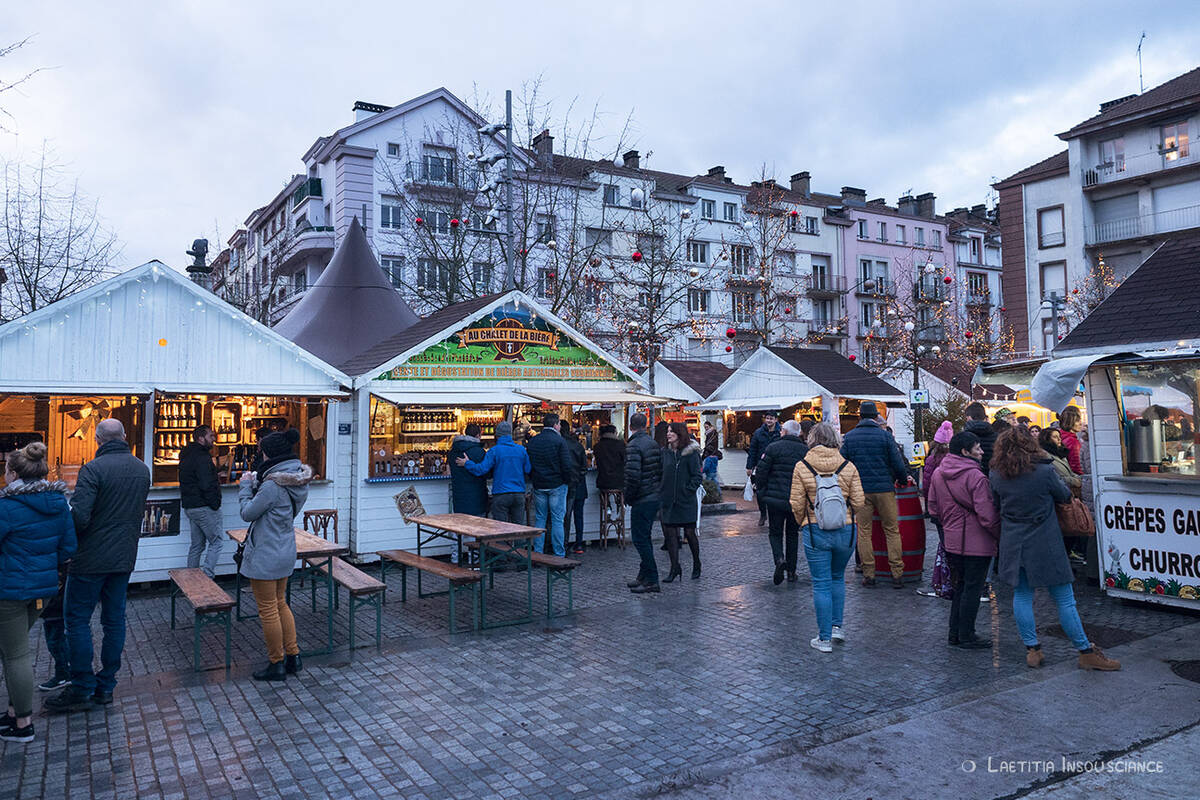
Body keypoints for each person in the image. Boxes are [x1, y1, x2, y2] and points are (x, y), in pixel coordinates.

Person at [989, 429, 1120, 671]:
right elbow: (1064, 495)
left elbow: (996, 505)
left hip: (1014, 542)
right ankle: (1085, 651)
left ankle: (1033, 650)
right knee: (1064, 600)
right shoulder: (1043, 470)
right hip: (1044, 541)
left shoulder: (997, 473)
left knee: (1023, 596)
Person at [47, 419, 150, 713]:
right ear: (125, 437)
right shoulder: (142, 470)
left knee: (77, 621)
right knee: (114, 620)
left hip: (90, 559)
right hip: (124, 557)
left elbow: (80, 517)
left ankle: (82, 686)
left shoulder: (93, 469)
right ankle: (106, 684)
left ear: (97, 440)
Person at [0, 442, 76, 742]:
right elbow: (68, 549)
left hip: (9, 590)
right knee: (10, 650)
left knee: (16, 655)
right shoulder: (59, 504)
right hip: (43, 590)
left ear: (15, 473)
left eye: (6, 469)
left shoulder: (7, 507)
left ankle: (23, 723)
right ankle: (11, 712)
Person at [237, 429, 311, 682]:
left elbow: (247, 513)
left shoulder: (272, 485)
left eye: (263, 451)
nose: (260, 454)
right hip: (285, 548)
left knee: (268, 610)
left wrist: (246, 486)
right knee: (281, 603)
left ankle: (276, 662)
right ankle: (293, 655)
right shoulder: (296, 480)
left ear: (271, 455)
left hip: (266, 553)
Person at [789, 422, 865, 653]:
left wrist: (803, 520)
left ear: (811, 440)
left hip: (815, 530)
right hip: (845, 529)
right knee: (837, 578)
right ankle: (836, 627)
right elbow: (860, 501)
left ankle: (823, 640)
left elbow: (796, 503)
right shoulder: (848, 466)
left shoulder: (802, 467)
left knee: (821, 583)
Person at [927, 432, 999, 649]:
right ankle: (967, 635)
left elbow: (932, 507)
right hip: (977, 543)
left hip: (952, 541)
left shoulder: (939, 473)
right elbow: (987, 515)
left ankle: (954, 633)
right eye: (978, 448)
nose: (982, 451)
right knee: (973, 589)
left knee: (959, 587)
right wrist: (999, 533)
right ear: (965, 452)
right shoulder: (976, 477)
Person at [841, 402, 910, 588]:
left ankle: (869, 574)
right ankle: (897, 573)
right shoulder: (885, 436)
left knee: (864, 532)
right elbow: (897, 463)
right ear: (875, 416)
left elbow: (843, 465)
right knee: (891, 530)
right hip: (885, 489)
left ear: (859, 416)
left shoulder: (850, 437)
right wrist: (902, 480)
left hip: (861, 490)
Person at [753, 419, 809, 584]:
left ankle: (779, 559)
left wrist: (762, 493)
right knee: (792, 535)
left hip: (775, 499)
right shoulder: (805, 451)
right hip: (796, 499)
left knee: (775, 533)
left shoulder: (773, 448)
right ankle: (791, 571)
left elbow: (761, 472)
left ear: (783, 431)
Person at [457, 421, 530, 524]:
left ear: (497, 435)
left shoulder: (494, 451)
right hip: (519, 493)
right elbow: (528, 469)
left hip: (501, 494)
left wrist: (467, 463)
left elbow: (481, 469)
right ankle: (520, 541)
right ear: (510, 434)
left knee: (501, 529)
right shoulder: (521, 450)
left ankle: (503, 541)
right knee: (519, 528)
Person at [624, 413, 663, 593]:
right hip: (653, 495)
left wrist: (628, 496)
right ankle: (644, 575)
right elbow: (660, 470)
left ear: (631, 426)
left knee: (640, 540)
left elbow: (632, 475)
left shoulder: (633, 445)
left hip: (642, 497)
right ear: (645, 425)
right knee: (644, 537)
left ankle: (652, 579)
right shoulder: (653, 443)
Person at [659, 423, 703, 582]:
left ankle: (697, 563)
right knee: (671, 536)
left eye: (671, 431)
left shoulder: (690, 454)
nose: (668, 434)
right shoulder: (665, 453)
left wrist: (687, 491)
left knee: (690, 534)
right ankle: (674, 567)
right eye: (668, 431)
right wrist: (661, 491)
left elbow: (697, 477)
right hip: (669, 501)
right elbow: (660, 473)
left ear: (679, 433)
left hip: (686, 501)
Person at [525, 414, 573, 558]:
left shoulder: (533, 441)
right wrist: (566, 481)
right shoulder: (560, 441)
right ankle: (559, 554)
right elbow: (566, 465)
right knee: (557, 520)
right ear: (556, 425)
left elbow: (529, 465)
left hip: (539, 484)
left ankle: (538, 552)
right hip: (557, 484)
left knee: (540, 518)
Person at [917, 420, 954, 600]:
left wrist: (929, 507)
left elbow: (926, 485)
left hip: (939, 508)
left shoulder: (931, 460)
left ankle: (944, 580)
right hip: (954, 509)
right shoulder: (956, 459)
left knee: (945, 543)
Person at [180, 424, 223, 577]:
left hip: (190, 506)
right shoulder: (202, 457)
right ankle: (208, 578)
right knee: (216, 542)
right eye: (211, 436)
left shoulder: (186, 454)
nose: (214, 439)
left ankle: (192, 579)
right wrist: (215, 503)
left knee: (197, 545)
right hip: (204, 506)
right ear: (200, 438)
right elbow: (206, 484)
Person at [1039, 426, 1084, 562]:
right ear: (1047, 439)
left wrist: (1077, 478)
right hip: (1059, 495)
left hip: (1069, 492)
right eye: (1055, 437)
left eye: (1059, 437)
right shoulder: (1046, 455)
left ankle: (1068, 553)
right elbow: (1053, 477)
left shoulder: (1060, 453)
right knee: (1065, 527)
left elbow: (1068, 471)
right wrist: (1074, 480)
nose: (1059, 440)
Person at [746, 411, 781, 526]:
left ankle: (773, 515)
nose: (769, 421)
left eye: (771, 418)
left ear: (776, 420)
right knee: (760, 492)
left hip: (776, 467)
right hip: (761, 466)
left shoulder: (780, 433)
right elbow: (752, 450)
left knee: (774, 492)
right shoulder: (758, 433)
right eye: (767, 418)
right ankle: (762, 514)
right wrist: (749, 466)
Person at [448, 423, 488, 517]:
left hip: (459, 497)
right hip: (477, 498)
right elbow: (487, 473)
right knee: (478, 527)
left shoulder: (453, 451)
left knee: (462, 526)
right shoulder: (479, 452)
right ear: (478, 435)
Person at [562, 426, 589, 555]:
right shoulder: (578, 446)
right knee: (579, 516)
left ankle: (563, 544)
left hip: (566, 485)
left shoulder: (560, 445)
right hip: (579, 484)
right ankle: (579, 543)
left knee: (564, 516)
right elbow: (584, 467)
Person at [593, 424, 625, 523]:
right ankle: (620, 506)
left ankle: (607, 507)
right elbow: (626, 461)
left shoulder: (597, 446)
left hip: (603, 481)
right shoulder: (621, 445)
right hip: (620, 480)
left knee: (603, 491)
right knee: (620, 491)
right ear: (614, 433)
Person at [963, 402, 998, 475]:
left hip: (970, 478)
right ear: (985, 418)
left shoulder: (962, 437)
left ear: (968, 418)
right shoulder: (997, 437)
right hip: (993, 478)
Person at [1058, 406, 1085, 475]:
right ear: (1070, 422)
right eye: (1077, 420)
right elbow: (1076, 467)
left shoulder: (1059, 437)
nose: (1080, 423)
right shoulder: (1073, 442)